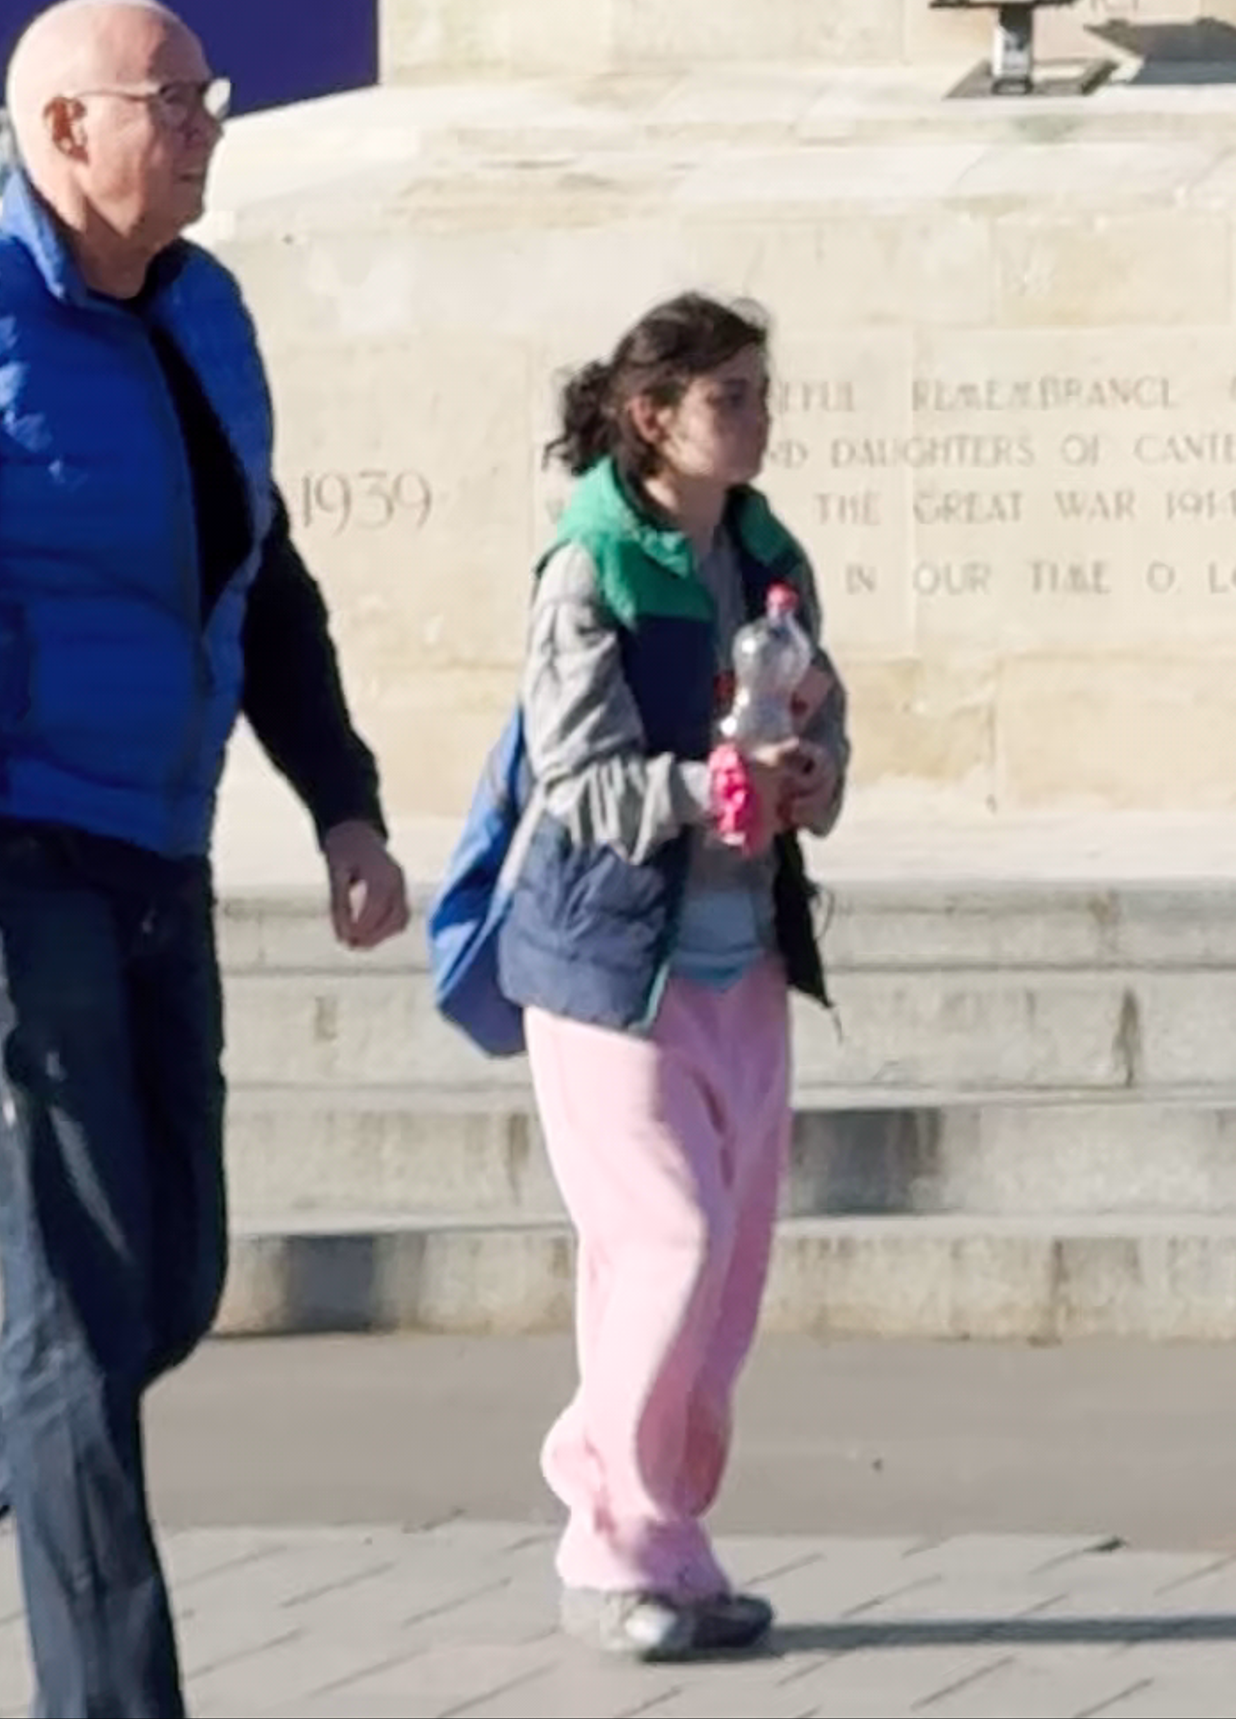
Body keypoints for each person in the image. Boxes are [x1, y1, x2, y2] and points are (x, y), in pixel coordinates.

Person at [0, 0, 410, 1719]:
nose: (202, 125)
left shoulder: (207, 316)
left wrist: (341, 798)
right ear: (59, 131)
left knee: (162, 1284)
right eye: (169, 100)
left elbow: (262, 579)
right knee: (72, 1320)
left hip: (150, 850)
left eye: (209, 97)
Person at [497, 294, 846, 1662]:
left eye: (763, 388)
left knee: (730, 1269)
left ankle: (675, 1540)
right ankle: (605, 1528)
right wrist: (706, 785)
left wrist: (815, 776)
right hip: (610, 966)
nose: (758, 416)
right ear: (655, 414)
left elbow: (825, 709)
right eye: (731, 394)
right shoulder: (590, 564)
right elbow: (570, 776)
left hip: (742, 955)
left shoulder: (769, 556)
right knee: (666, 1243)